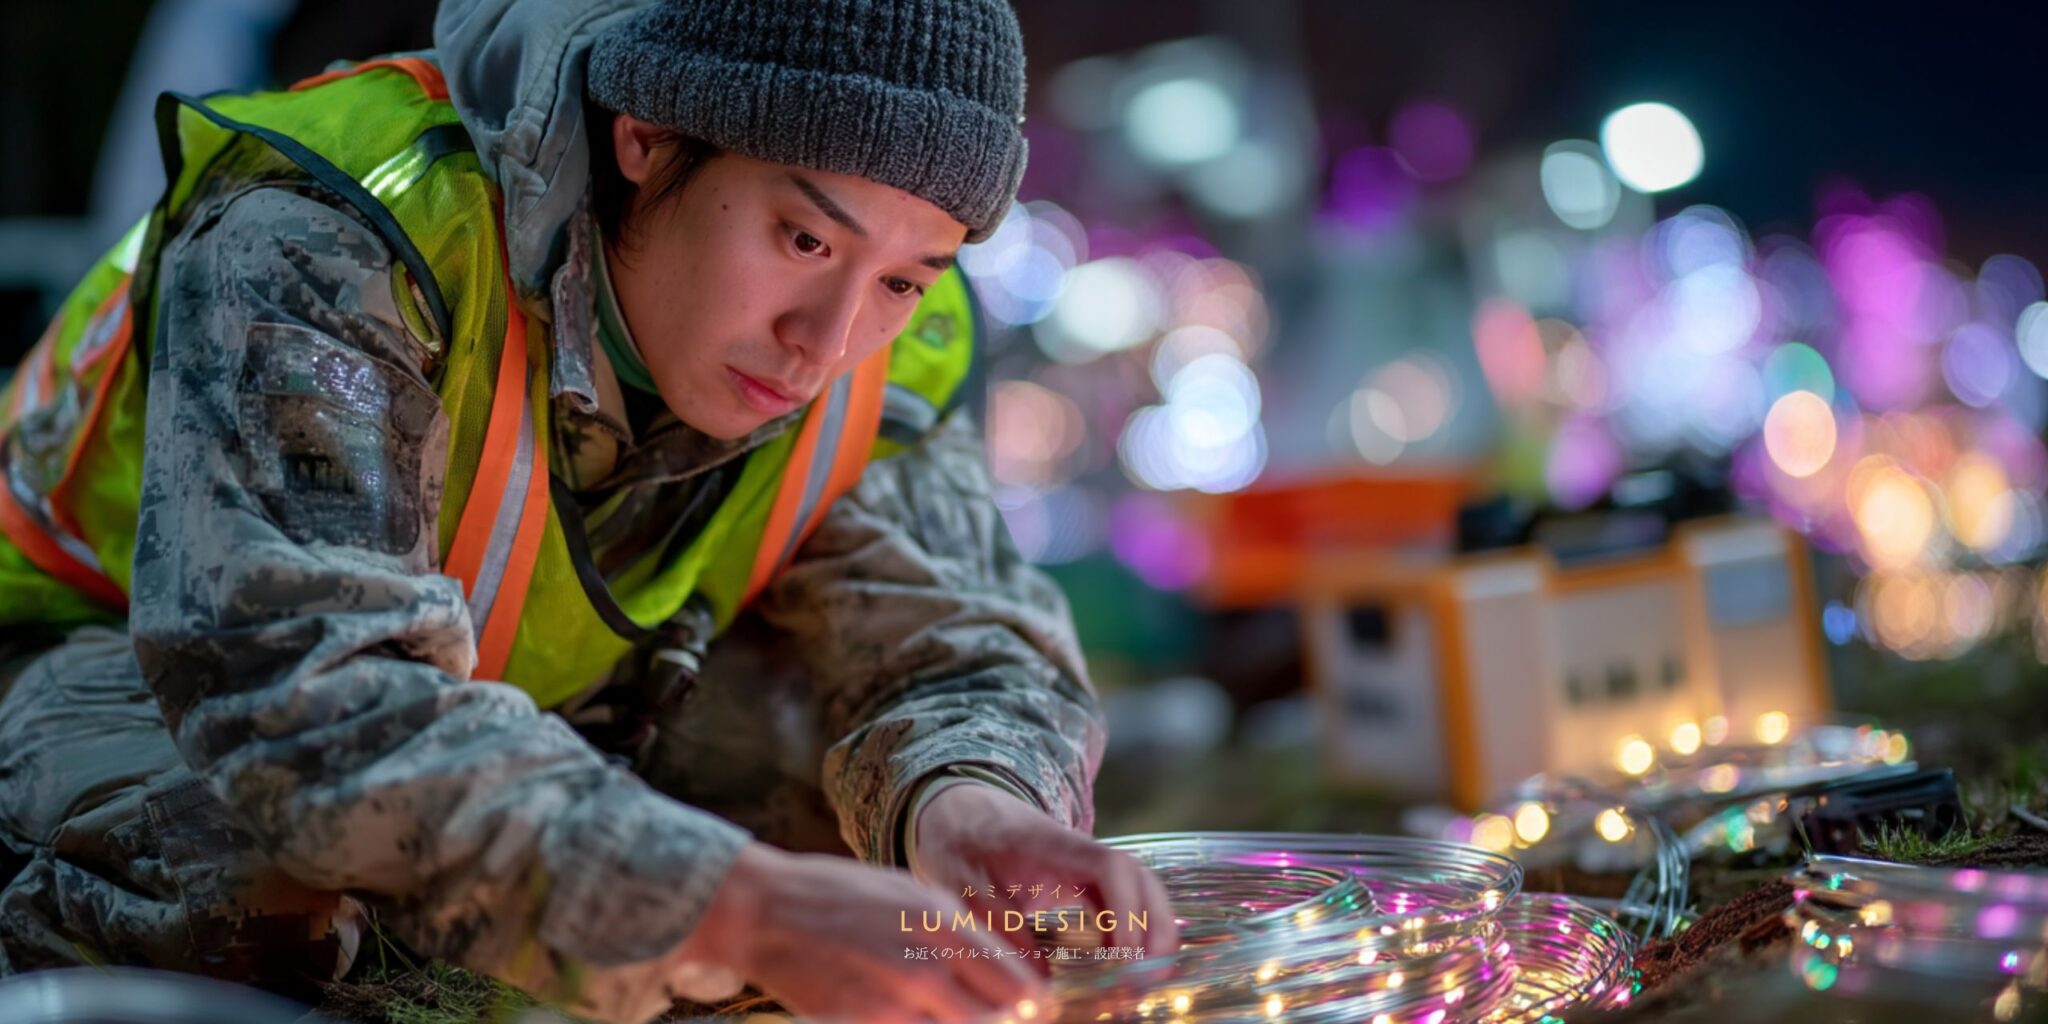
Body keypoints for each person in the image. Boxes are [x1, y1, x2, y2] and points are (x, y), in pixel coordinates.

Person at [0, 1, 1182, 1021]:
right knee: (247, 876)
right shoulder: (341, 231)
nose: (827, 341)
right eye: (804, 235)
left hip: (511, 700)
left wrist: (969, 806)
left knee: (839, 807)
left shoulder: (880, 339)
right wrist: (731, 907)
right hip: (95, 657)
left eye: (901, 277)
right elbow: (301, 700)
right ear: (647, 137)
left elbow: (953, 634)